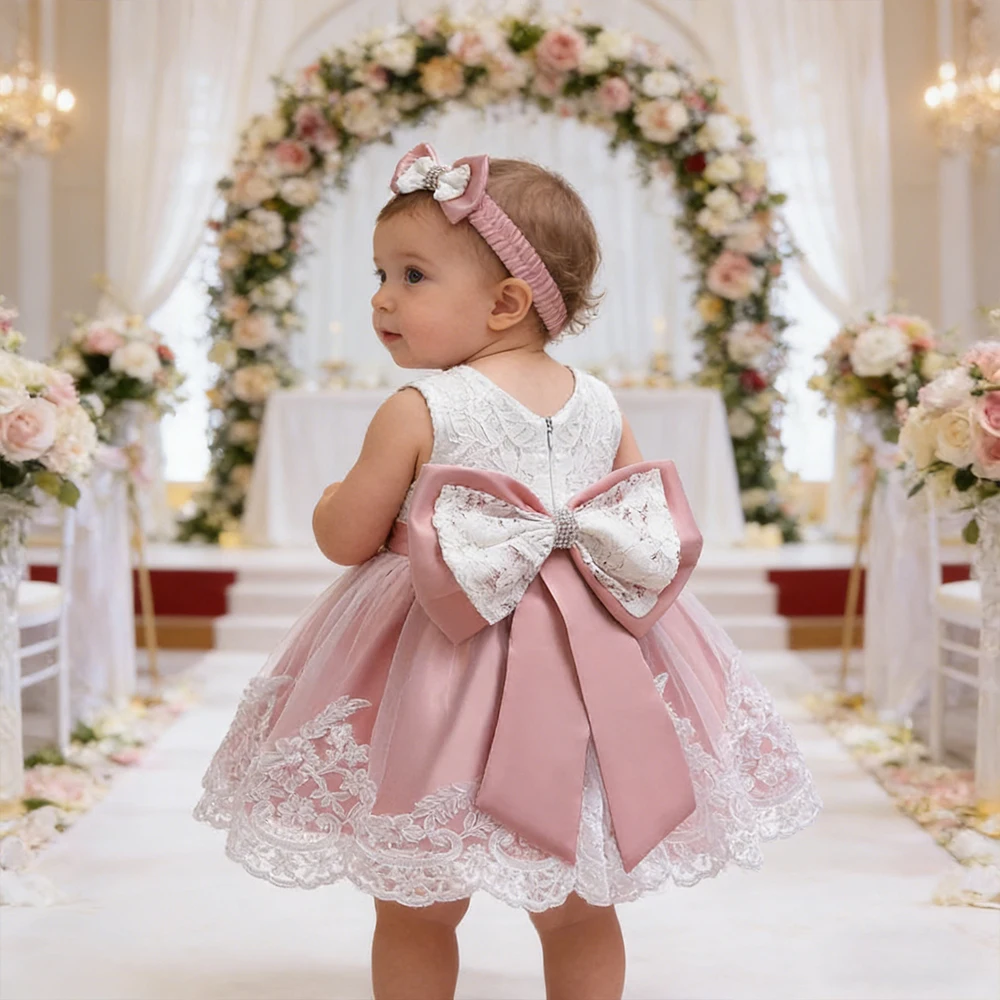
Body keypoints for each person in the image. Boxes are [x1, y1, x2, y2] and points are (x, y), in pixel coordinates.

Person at [195, 143, 821, 1000]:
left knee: (417, 904)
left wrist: (338, 496)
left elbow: (346, 538)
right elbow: (641, 527)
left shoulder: (418, 407)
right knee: (577, 901)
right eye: (379, 273)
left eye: (412, 275)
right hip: (588, 661)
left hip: (439, 670)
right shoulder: (599, 399)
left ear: (506, 302)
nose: (381, 297)